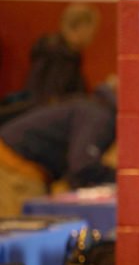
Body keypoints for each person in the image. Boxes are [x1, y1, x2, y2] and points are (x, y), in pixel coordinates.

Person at [0, 83, 116, 216]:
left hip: (18, 162)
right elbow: (83, 164)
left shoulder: (94, 107)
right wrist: (119, 178)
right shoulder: (100, 116)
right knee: (19, 229)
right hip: (14, 166)